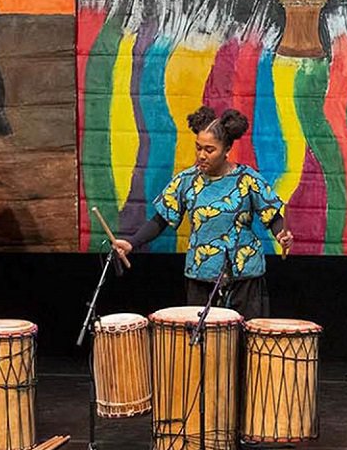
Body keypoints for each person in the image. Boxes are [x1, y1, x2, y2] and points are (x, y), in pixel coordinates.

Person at [113, 106, 293, 321]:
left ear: (226, 149)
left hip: (244, 276)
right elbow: (161, 219)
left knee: (246, 343)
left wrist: (281, 234)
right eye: (198, 148)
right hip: (202, 273)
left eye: (209, 150)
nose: (201, 155)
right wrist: (132, 243)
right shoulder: (186, 180)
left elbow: (272, 216)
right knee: (204, 345)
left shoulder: (248, 179)